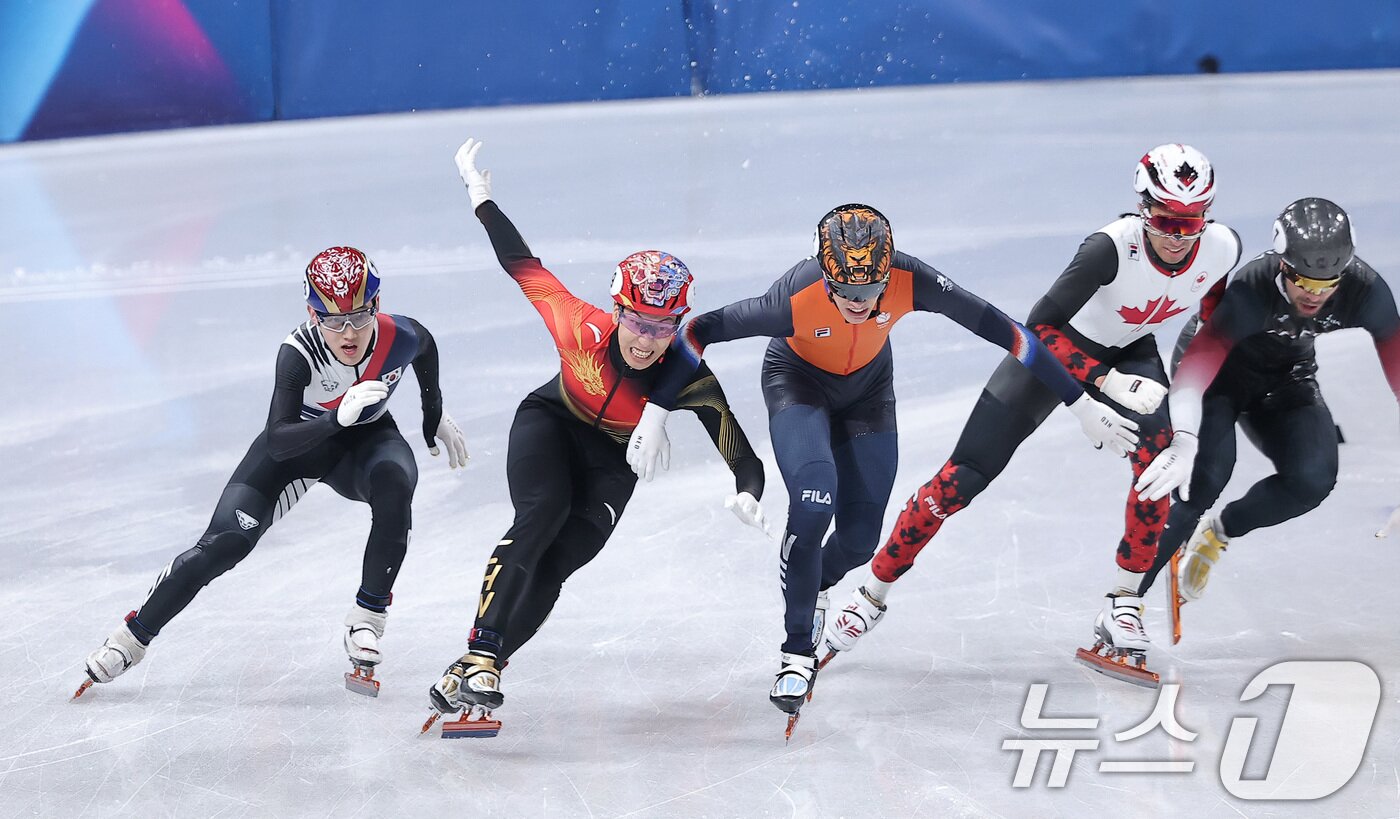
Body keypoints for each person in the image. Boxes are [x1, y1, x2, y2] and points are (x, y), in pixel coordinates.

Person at [626, 202, 1138, 723]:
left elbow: (1012, 334)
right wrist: (656, 412)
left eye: (869, 293)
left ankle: (815, 582)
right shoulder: (790, 300)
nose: (856, 304)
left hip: (869, 394)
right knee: (813, 498)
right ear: (824, 275)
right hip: (797, 384)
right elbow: (699, 331)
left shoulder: (911, 280)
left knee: (859, 540)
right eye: (843, 292)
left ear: (887, 274)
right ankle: (796, 650)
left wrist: (1080, 402)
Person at [825, 145, 1242, 686]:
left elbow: (1210, 331)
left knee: (1157, 467)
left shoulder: (1222, 249)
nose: (1178, 236)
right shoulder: (1108, 250)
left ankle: (1123, 602)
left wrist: (1183, 431)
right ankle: (870, 594)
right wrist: (1100, 385)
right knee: (958, 482)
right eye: (1165, 220)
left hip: (1131, 350)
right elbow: (1038, 329)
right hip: (1052, 356)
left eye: (1190, 222)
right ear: (1143, 208)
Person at [426, 140, 766, 730]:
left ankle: (481, 667)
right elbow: (520, 262)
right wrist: (481, 198)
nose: (645, 338)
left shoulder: (688, 375)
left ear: (678, 323)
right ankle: (482, 646)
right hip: (551, 425)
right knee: (541, 515)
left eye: (663, 325)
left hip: (612, 461)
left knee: (559, 565)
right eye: (636, 319)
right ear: (617, 308)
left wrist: (748, 491)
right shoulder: (579, 325)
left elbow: (740, 450)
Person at [78, 246, 468, 698]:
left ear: (376, 307)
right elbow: (278, 436)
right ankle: (131, 638)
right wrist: (334, 418)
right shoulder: (298, 353)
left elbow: (426, 347)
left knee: (396, 486)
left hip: (365, 443)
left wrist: (432, 413)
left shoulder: (400, 334)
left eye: (359, 317)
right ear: (311, 313)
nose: (347, 333)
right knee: (223, 546)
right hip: (296, 449)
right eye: (332, 319)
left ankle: (367, 618)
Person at [1132, 197, 1400, 630]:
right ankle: (1126, 603)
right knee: (1203, 479)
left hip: (1286, 377)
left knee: (1313, 479)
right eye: (1303, 283)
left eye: (1327, 284)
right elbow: (1198, 365)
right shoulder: (1251, 288)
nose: (1314, 295)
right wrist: (1183, 436)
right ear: (1282, 266)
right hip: (1217, 378)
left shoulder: (1365, 290)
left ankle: (1220, 534)